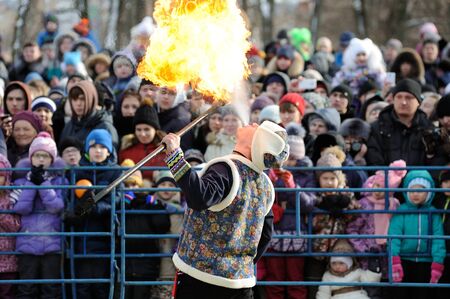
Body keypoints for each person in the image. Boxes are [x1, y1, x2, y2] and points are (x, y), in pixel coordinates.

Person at [160, 121, 289, 298]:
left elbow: (198, 197)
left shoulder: (226, 169)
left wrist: (175, 157)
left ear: (257, 142)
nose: (252, 122)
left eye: (257, 126)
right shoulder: (266, 185)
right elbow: (265, 236)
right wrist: (239, 265)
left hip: (202, 281)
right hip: (241, 284)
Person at [67, 129, 122, 299]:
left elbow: (118, 200)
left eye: (102, 147)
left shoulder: (116, 172)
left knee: (101, 288)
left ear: (109, 150)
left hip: (104, 242)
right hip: (80, 241)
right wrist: (84, 206)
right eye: (93, 146)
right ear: (86, 150)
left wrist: (96, 207)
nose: (98, 150)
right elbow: (71, 202)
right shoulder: (76, 172)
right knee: (82, 289)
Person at [13, 132, 66, 299]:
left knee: (51, 289)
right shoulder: (20, 182)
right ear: (31, 158)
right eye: (37, 155)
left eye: (45, 156)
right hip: (27, 243)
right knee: (26, 289)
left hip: (52, 243)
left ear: (52, 159)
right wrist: (31, 183)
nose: (41, 160)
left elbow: (56, 206)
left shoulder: (60, 181)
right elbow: (21, 208)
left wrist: (43, 183)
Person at [388, 170, 446, 299]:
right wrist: (394, 260)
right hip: (404, 260)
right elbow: (394, 236)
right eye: (411, 190)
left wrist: (437, 263)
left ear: (429, 192)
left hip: (426, 262)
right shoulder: (401, 211)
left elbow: (438, 240)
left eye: (420, 190)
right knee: (400, 293)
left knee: (422, 294)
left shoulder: (433, 212)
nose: (415, 194)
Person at [120, 159, 171, 299]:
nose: (130, 188)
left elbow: (163, 226)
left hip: (146, 261)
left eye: (134, 184)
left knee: (142, 294)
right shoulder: (119, 204)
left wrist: (154, 206)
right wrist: (122, 206)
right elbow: (111, 226)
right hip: (124, 261)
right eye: (126, 185)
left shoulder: (149, 203)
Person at [367, 79, 434, 166]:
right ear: (393, 100)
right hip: (385, 177)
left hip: (419, 177)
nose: (403, 102)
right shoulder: (377, 128)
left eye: (409, 97)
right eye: (399, 97)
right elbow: (374, 159)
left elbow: (436, 160)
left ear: (418, 102)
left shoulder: (428, 129)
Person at [60, 80, 118, 149]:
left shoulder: (105, 127)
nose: (78, 104)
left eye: (82, 99)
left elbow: (111, 157)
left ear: (91, 99)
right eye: (74, 99)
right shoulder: (69, 126)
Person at [119, 100, 166, 185]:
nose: (142, 134)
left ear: (155, 130)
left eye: (147, 129)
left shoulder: (165, 150)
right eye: (139, 130)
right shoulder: (126, 149)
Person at [316, 239, 382, 299]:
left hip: (358, 295)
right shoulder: (328, 275)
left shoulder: (356, 271)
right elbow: (323, 293)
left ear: (349, 263)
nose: (337, 266)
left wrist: (374, 265)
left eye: (341, 263)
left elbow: (370, 280)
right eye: (334, 263)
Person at [0, 154, 21, 299]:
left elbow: (16, 227)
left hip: (8, 261)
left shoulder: (12, 196)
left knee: (7, 294)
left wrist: (2, 214)